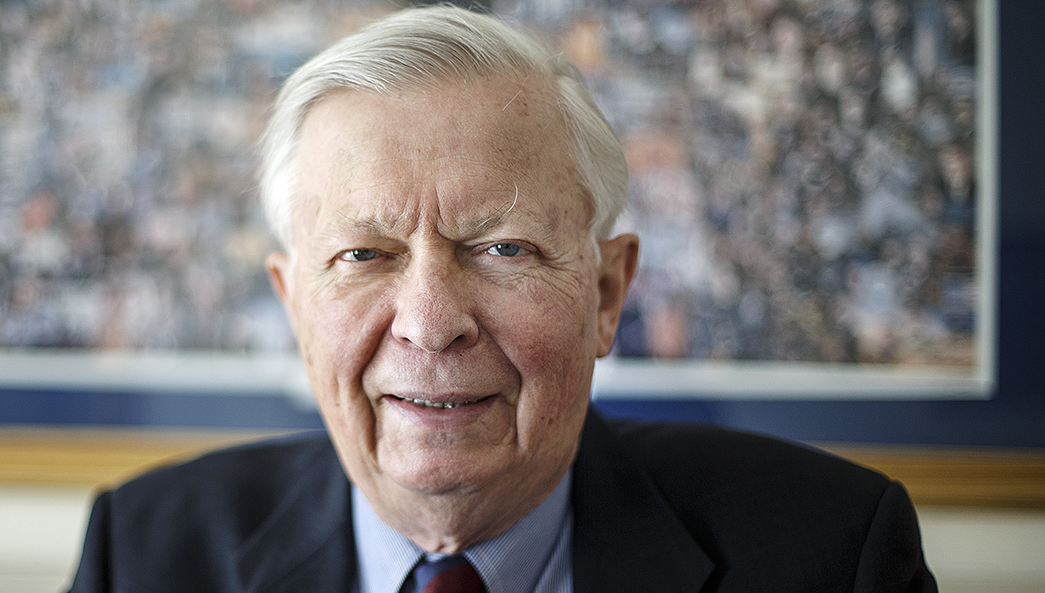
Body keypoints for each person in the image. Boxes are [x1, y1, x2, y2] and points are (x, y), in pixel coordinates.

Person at [67, 6, 937, 592]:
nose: (430, 321)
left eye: (502, 248)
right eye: (364, 253)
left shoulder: (832, 554)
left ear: (605, 294)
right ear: (295, 306)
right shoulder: (141, 553)